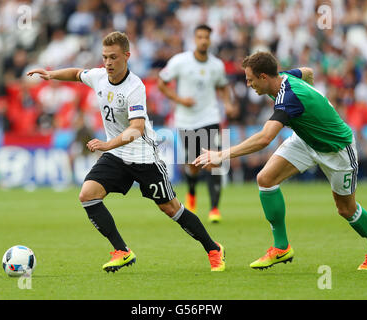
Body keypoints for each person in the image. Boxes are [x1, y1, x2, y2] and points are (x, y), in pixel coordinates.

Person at [27, 31, 225, 273]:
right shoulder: (99, 76)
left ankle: (213, 248)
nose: (108, 63)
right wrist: (51, 74)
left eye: (113, 57)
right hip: (117, 155)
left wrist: (106, 145)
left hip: (143, 156)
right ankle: (122, 251)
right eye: (105, 57)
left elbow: (137, 129)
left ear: (127, 56)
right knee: (88, 194)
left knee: (170, 208)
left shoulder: (134, 87)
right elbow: (77, 74)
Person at [194, 51, 367, 271]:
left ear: (264, 77)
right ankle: (281, 247)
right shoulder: (282, 77)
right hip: (305, 140)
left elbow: (265, 138)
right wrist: (315, 102)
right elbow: (308, 72)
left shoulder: (288, 97)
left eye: (250, 79)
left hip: (337, 150)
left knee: (346, 209)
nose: (247, 84)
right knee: (265, 179)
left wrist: (221, 154)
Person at [158, 24, 238, 223]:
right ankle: (192, 191)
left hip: (210, 117)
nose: (203, 40)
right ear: (195, 39)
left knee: (214, 160)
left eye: (206, 37)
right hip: (186, 119)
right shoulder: (180, 61)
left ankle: (214, 209)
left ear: (210, 40)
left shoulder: (216, 65)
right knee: (194, 164)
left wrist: (227, 103)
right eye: (200, 36)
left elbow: (223, 87)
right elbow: (161, 82)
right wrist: (179, 99)